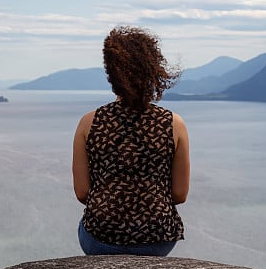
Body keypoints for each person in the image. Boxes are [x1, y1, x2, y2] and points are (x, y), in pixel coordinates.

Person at [72, 26, 190, 256]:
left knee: (85, 228)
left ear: (111, 73)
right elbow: (179, 195)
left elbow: (82, 193)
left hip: (100, 239)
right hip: (157, 240)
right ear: (154, 69)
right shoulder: (174, 124)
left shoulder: (88, 123)